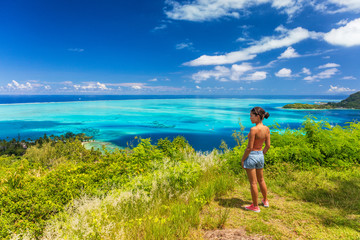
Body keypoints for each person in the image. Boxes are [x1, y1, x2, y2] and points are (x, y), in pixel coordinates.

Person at [241, 107, 270, 213]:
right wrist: (261, 154)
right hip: (260, 155)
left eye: (251, 116)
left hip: (252, 155)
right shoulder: (266, 129)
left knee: (253, 183)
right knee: (261, 180)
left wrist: (243, 159)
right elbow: (268, 146)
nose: (250, 118)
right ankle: (265, 201)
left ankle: (255, 206)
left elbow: (249, 148)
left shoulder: (253, 130)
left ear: (258, 116)